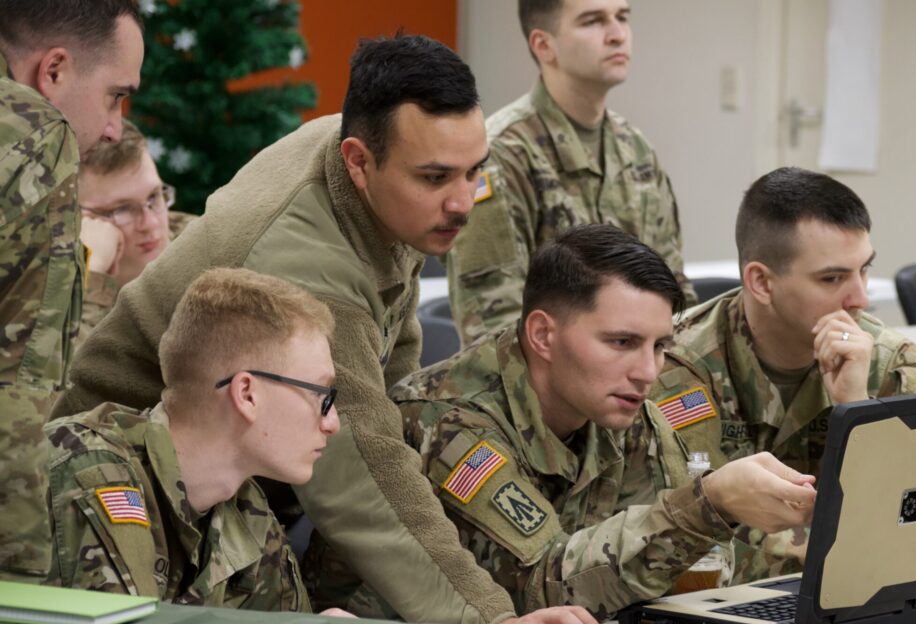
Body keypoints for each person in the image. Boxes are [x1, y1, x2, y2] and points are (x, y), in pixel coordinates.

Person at [51, 34, 588, 624]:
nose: (463, 201)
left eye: (473, 172)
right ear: (359, 160)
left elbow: (390, 362)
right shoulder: (309, 267)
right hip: (128, 491)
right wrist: (489, 618)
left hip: (232, 488)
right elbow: (365, 478)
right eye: (436, 178)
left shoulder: (371, 158)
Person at [393, 225, 816, 617]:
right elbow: (544, 587)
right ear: (543, 335)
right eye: (622, 342)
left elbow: (710, 554)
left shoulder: (620, 406)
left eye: (659, 346)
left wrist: (821, 552)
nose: (647, 371)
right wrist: (710, 503)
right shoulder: (450, 420)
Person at [45, 268, 351, 614]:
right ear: (247, 394)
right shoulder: (90, 472)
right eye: (321, 395)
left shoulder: (246, 515)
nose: (332, 423)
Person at [651, 168, 916, 476]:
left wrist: (857, 410)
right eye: (832, 278)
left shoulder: (889, 363)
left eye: (864, 269)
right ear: (761, 282)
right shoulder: (675, 366)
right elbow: (692, 510)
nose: (861, 299)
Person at [443, 0, 695, 343]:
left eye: (622, 17)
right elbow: (493, 328)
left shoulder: (636, 149)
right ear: (544, 45)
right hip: (545, 389)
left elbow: (675, 295)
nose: (618, 35)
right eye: (593, 21)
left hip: (643, 378)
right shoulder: (501, 155)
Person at [0, 0, 143, 580]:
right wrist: (22, 582)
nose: (115, 125)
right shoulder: (36, 133)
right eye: (115, 94)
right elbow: (18, 385)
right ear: (53, 70)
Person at [77, 119, 195, 343]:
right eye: (123, 209)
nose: (150, 223)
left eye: (154, 197)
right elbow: (72, 376)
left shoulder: (215, 251)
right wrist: (90, 280)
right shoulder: (32, 290)